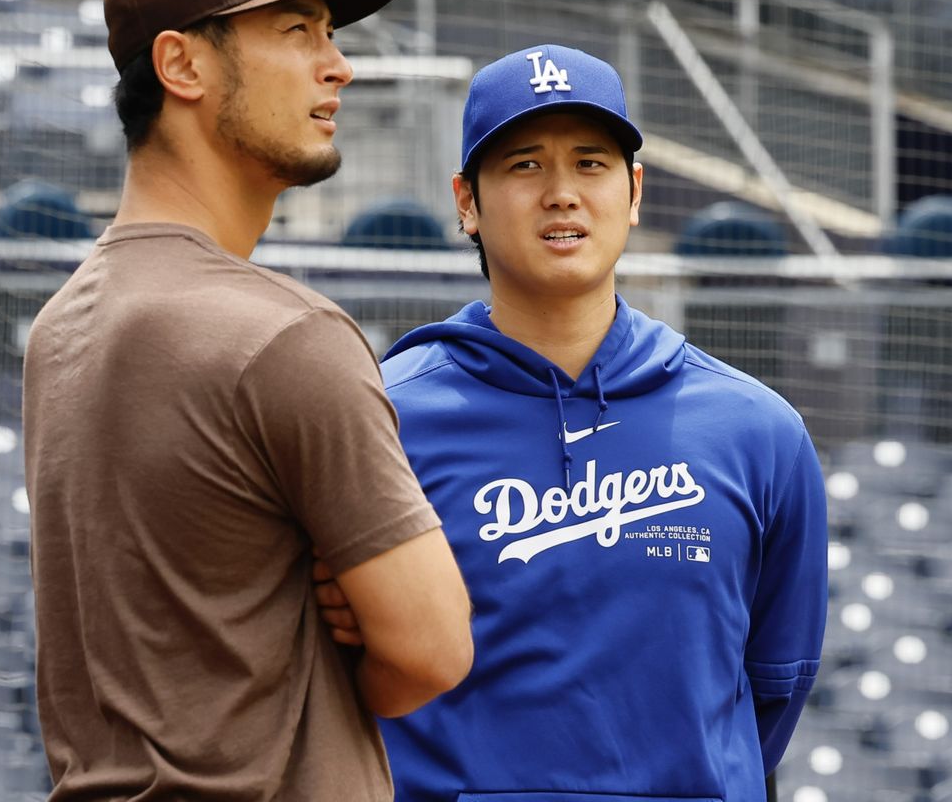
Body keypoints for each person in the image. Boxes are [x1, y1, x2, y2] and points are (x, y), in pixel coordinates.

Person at [22, 0, 473, 801]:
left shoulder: (59, 327)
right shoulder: (284, 336)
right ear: (182, 63)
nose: (337, 65)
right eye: (296, 31)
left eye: (329, 34)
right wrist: (339, 640)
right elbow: (433, 647)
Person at [317, 44, 827, 801]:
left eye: (591, 163)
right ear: (466, 200)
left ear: (634, 190)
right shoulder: (379, 419)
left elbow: (770, 692)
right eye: (524, 165)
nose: (562, 193)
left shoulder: (758, 432)